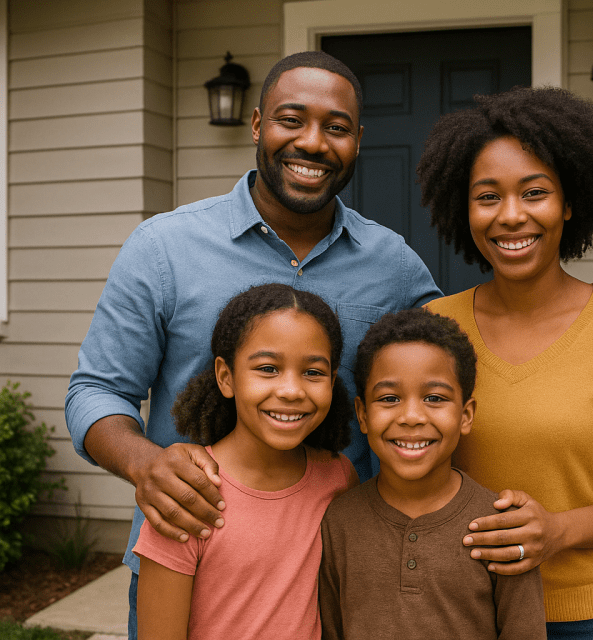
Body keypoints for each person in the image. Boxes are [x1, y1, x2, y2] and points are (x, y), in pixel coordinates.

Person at [65, 51, 440, 639]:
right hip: (195, 554)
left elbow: (448, 380)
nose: (313, 143)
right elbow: (96, 390)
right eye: (292, 120)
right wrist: (147, 465)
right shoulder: (164, 247)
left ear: (358, 141)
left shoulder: (394, 265)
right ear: (259, 124)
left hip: (339, 567)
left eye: (336, 128)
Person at [418, 86, 593, 638]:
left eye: (534, 193)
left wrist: (556, 531)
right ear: (463, 208)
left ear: (569, 202)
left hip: (585, 618)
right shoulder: (436, 328)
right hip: (456, 609)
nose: (511, 216)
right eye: (487, 197)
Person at [134, 284, 358, 640]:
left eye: (313, 372)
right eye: (268, 368)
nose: (291, 390)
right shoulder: (187, 494)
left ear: (332, 381)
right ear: (226, 377)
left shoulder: (339, 477)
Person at [318, 308, 547, 639]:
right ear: (363, 414)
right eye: (390, 398)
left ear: (465, 415)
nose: (411, 416)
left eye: (434, 398)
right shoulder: (338, 522)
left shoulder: (503, 528)